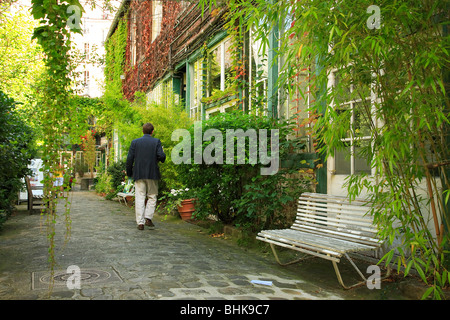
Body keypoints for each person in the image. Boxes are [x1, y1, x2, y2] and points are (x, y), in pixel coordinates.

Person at [126, 122, 166, 230]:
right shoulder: (156, 142)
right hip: (152, 173)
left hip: (138, 173)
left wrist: (129, 173)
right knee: (152, 195)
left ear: (142, 131)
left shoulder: (135, 142)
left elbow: (129, 159)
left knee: (140, 196)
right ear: (152, 132)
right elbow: (161, 156)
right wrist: (162, 155)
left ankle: (140, 222)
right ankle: (148, 217)